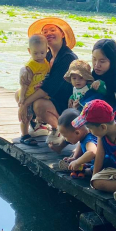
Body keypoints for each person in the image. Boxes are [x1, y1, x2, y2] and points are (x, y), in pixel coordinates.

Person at [18, 17, 78, 147]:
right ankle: (39, 126)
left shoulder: (67, 57)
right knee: (19, 94)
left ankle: (59, 129)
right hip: (51, 97)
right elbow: (34, 73)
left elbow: (49, 87)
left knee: (38, 104)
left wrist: (24, 104)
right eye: (45, 31)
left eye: (53, 30)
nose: (49, 33)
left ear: (62, 34)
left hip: (64, 102)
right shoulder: (47, 55)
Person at [15, 34, 51, 145]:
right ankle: (24, 135)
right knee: (26, 115)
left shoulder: (46, 63)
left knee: (32, 114)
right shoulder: (30, 66)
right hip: (28, 94)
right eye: (35, 53)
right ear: (29, 51)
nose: (39, 56)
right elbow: (24, 84)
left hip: (37, 93)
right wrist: (22, 98)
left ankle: (38, 126)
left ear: (47, 50)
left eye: (42, 53)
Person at [56, 108, 98, 179]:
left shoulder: (89, 140)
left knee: (88, 169)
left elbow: (92, 152)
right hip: (94, 162)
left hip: (104, 165)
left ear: (77, 132)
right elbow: (80, 144)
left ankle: (86, 171)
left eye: (65, 136)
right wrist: (74, 158)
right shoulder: (83, 137)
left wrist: (77, 162)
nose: (65, 139)